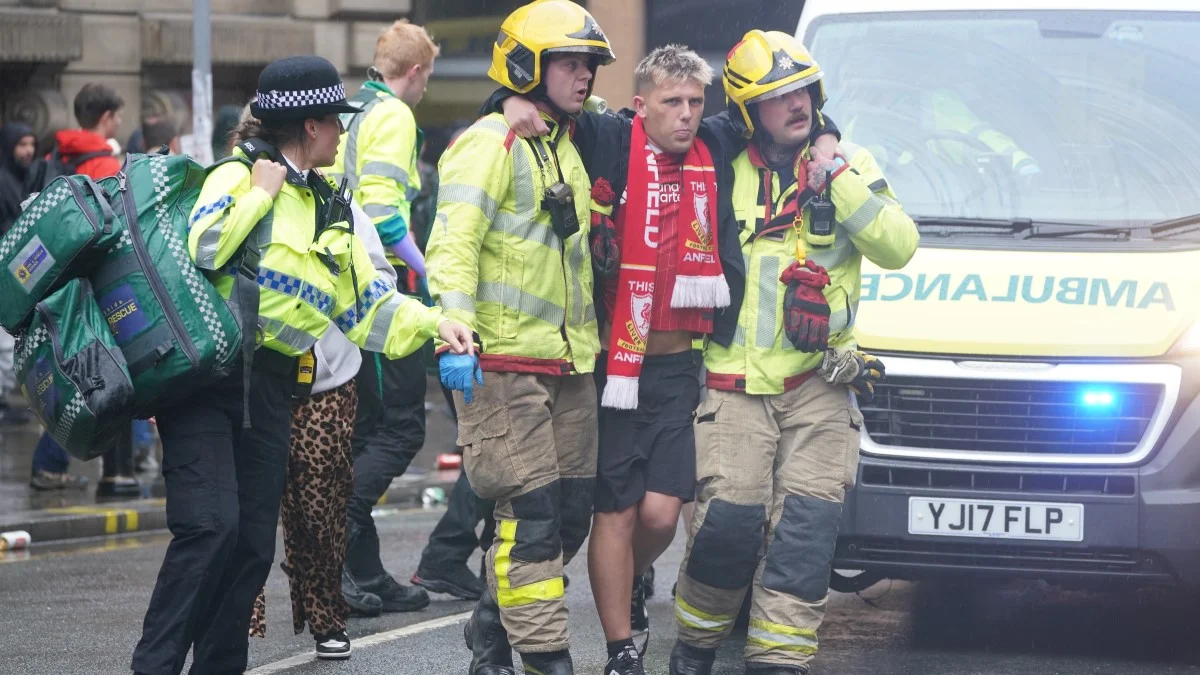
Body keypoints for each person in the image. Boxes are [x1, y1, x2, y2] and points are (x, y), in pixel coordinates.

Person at [496, 44, 842, 674]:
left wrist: (827, 139)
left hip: (683, 368)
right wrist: (506, 100)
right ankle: (621, 649)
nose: (686, 115)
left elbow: (785, 114)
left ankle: (627, 579)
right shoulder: (610, 138)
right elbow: (549, 107)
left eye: (695, 102)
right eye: (672, 102)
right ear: (641, 106)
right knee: (616, 511)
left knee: (660, 513)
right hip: (615, 369)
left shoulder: (714, 140)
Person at [130, 55, 473, 675]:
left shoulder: (328, 202)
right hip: (208, 385)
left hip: (271, 387)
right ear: (310, 126)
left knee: (251, 543)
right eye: (336, 121)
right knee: (210, 528)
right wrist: (260, 195)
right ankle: (153, 667)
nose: (343, 131)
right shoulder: (235, 176)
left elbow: (368, 308)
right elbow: (205, 246)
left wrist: (436, 324)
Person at [668, 32, 918, 675]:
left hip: (821, 386)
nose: (797, 104)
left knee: (804, 536)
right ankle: (694, 648)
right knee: (726, 528)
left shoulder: (850, 162)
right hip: (734, 384)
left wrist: (838, 181)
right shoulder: (718, 162)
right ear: (749, 111)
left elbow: (898, 246)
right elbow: (643, 136)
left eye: (804, 90)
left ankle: (777, 662)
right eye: (779, 96)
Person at [426, 2, 614, 673]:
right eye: (570, 62)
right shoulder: (489, 143)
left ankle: (491, 625)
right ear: (528, 67)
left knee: (569, 516)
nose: (585, 75)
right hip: (503, 366)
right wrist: (455, 335)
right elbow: (452, 244)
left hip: (569, 366)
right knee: (531, 518)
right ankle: (545, 658)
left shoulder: (565, 139)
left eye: (589, 64)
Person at [330, 18, 441, 615]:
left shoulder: (353, 110)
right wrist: (429, 271)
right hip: (375, 287)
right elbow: (382, 214)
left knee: (366, 429)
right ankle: (339, 529)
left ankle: (365, 571)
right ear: (415, 72)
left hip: (339, 287)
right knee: (399, 428)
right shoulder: (395, 115)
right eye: (427, 78)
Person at [53, 83, 123, 180]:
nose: (119, 122)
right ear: (106, 117)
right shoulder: (108, 167)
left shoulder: (55, 155)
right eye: (118, 116)